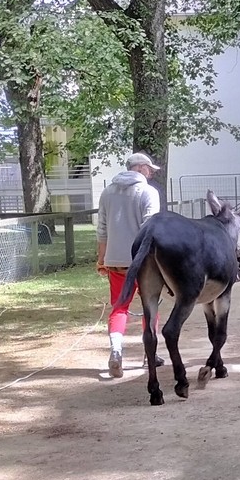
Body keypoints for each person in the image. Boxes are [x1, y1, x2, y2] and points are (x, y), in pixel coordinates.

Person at [95, 152, 161, 378]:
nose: (151, 173)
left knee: (119, 308)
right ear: (141, 168)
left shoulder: (107, 192)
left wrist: (101, 258)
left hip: (116, 261)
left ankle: (116, 351)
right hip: (143, 263)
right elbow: (150, 228)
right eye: (149, 169)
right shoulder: (148, 192)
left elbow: (102, 229)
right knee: (150, 307)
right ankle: (150, 353)